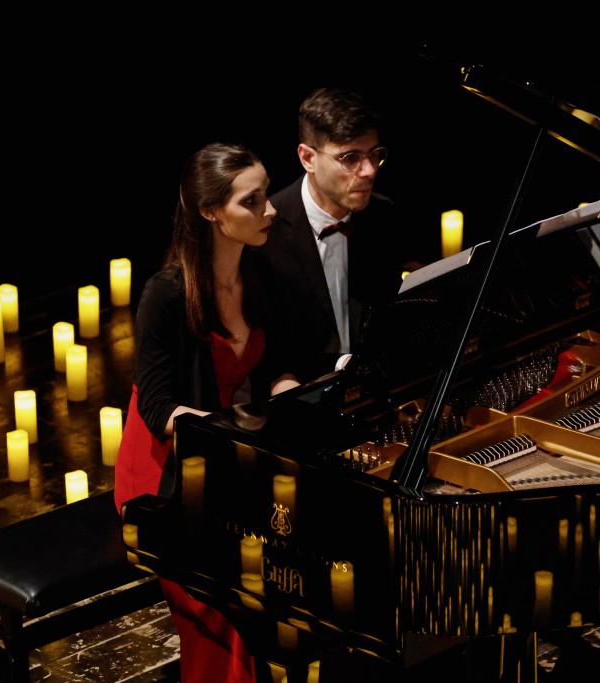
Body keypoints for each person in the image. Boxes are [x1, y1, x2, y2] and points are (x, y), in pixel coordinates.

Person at [114, 142, 297, 683]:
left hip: (228, 462)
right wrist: (226, 435)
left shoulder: (260, 271)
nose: (270, 210)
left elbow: (276, 363)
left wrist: (288, 390)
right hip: (164, 474)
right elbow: (157, 407)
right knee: (232, 602)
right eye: (252, 201)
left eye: (266, 195)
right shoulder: (166, 295)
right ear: (212, 212)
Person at [259, 87, 406, 384]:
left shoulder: (382, 214)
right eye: (350, 157)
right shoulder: (266, 231)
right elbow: (272, 354)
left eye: (374, 154)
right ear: (308, 158)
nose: (369, 171)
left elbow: (387, 319)